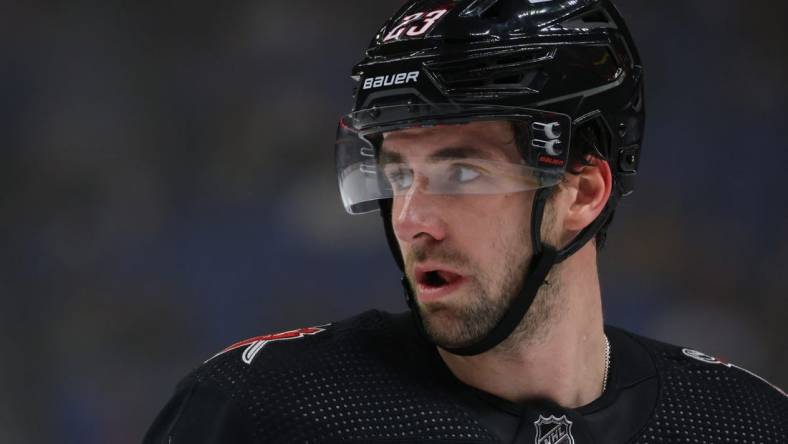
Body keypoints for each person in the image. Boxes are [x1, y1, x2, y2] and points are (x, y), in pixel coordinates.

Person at [144, 0, 787, 442]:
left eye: (462, 174)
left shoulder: (742, 424)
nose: (413, 219)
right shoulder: (263, 412)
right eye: (399, 175)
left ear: (583, 191)